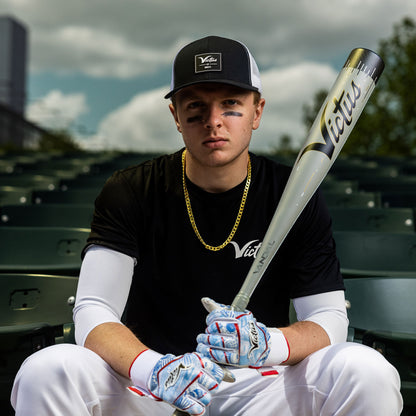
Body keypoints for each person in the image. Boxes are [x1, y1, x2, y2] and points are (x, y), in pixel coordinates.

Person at [11, 35, 402, 416]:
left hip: (259, 384)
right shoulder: (130, 190)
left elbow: (329, 319)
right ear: (176, 116)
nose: (213, 122)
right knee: (47, 369)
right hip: (150, 387)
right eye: (196, 107)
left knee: (365, 369)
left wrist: (268, 344)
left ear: (257, 111)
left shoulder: (294, 194)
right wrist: (155, 369)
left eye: (230, 104)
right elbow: (94, 309)